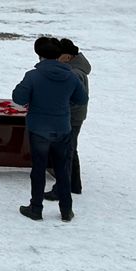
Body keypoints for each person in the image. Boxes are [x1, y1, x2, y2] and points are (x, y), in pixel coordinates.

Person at [13, 36, 86, 221]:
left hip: (38, 129)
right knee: (62, 169)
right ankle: (66, 210)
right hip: (62, 128)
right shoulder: (70, 75)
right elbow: (81, 99)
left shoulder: (33, 75)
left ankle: (36, 209)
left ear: (39, 54)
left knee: (38, 169)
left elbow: (19, 98)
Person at [47, 38, 90, 199]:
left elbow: (76, 100)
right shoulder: (75, 69)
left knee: (65, 152)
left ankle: (62, 189)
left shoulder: (74, 73)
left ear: (67, 56)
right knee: (70, 149)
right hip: (73, 117)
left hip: (70, 118)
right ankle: (74, 185)